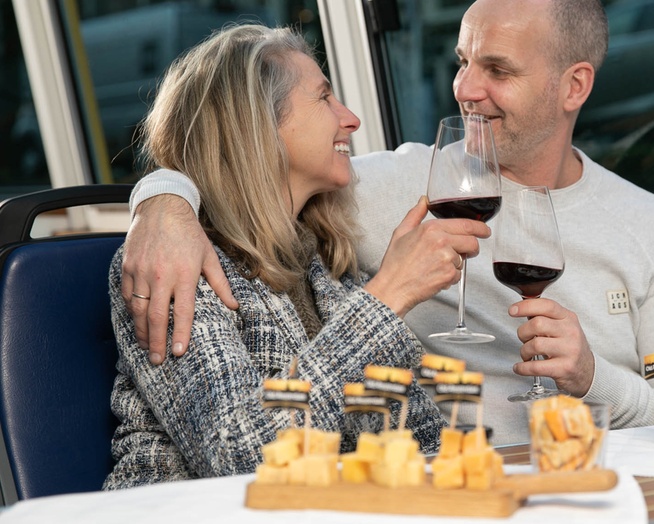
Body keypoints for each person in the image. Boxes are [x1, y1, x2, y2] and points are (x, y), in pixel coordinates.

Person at [122, 0, 654, 446]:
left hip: (593, 477)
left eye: (498, 70)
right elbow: (230, 162)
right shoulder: (364, 191)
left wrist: (591, 377)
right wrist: (163, 199)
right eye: (463, 62)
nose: (465, 89)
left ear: (574, 85)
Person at [104, 23, 492, 490]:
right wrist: (387, 298)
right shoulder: (173, 265)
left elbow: (421, 440)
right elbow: (238, 457)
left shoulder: (325, 265)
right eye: (324, 98)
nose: (351, 119)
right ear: (256, 124)